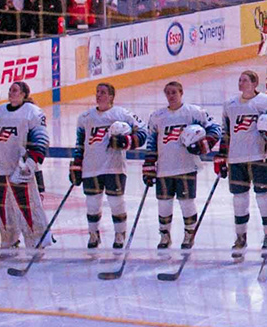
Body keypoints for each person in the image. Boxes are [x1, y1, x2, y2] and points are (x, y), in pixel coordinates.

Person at [143, 80, 222, 251]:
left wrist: (204, 145)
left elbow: (216, 129)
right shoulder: (157, 116)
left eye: (174, 92)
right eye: (168, 93)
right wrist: (149, 165)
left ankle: (189, 234)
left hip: (186, 167)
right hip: (164, 168)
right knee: (163, 204)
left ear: (181, 92)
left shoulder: (193, 112)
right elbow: (151, 142)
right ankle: (165, 236)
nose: (171, 96)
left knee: (187, 203)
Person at [218, 71, 267, 254]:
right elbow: (226, 132)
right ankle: (241, 237)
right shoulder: (230, 105)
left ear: (255, 83)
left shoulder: (266, 102)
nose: (241, 83)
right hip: (236, 159)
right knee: (239, 200)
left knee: (264, 198)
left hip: (261, 158)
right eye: (239, 79)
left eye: (245, 80)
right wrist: (221, 156)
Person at [72, 83, 146, 251]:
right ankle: (93, 234)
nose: (99, 95)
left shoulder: (121, 114)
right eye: (97, 92)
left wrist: (127, 141)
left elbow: (143, 132)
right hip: (91, 168)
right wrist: (77, 165)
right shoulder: (85, 117)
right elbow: (79, 144)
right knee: (92, 203)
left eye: (103, 93)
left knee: (116, 202)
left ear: (112, 96)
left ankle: (120, 234)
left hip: (115, 167)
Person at [0, 81, 50, 251]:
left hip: (20, 170)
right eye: (10, 90)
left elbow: (41, 141)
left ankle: (36, 240)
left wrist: (30, 163)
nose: (12, 93)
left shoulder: (32, 113)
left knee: (27, 207)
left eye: (15, 90)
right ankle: (5, 239)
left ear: (24, 94)